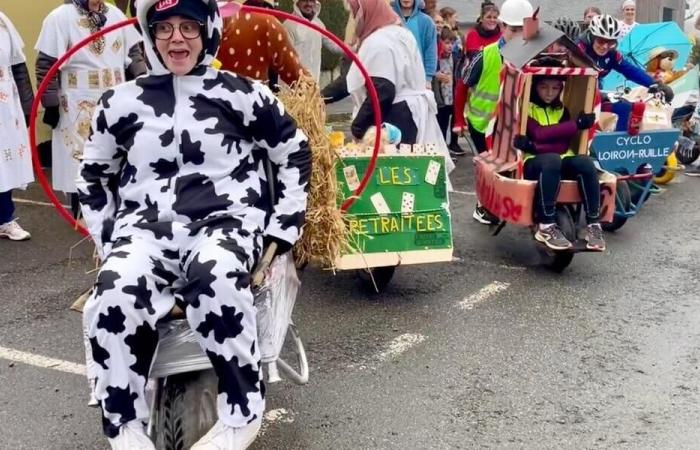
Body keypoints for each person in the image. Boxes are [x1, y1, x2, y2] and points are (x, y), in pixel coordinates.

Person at [77, 0, 311, 448]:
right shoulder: (120, 101)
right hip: (144, 232)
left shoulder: (243, 93)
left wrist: (284, 226)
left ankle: (242, 414)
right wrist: (109, 239)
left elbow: (293, 151)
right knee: (114, 291)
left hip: (224, 224)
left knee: (217, 276)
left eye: (188, 27)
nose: (176, 39)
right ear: (149, 35)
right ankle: (124, 424)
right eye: (164, 28)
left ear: (208, 31)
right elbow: (93, 174)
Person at [35, 0, 146, 219]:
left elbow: (133, 54)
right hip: (77, 101)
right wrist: (50, 104)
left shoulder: (115, 14)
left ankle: (118, 210)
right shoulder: (60, 17)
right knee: (80, 157)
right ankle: (82, 214)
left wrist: (144, 84)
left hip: (115, 98)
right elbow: (46, 65)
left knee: (117, 153)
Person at [345, 0, 452, 171]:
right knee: (413, 174)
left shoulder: (379, 41)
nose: (353, 19)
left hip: (396, 116)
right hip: (411, 112)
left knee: (393, 178)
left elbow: (384, 90)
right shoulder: (400, 32)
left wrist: (359, 126)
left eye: (354, 13)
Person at [452, 0, 532, 224]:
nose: (517, 35)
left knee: (512, 166)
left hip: (513, 125)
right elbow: (462, 86)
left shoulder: (531, 55)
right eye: (513, 29)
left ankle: (508, 203)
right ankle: (483, 206)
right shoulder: (484, 55)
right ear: (503, 26)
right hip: (483, 122)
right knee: (489, 168)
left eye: (521, 30)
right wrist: (458, 119)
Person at [513, 60, 605, 251]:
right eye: (544, 87)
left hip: (557, 158)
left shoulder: (561, 110)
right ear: (535, 86)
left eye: (555, 88)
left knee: (586, 162)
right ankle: (545, 225)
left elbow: (563, 142)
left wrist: (534, 144)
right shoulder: (525, 107)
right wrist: (575, 125)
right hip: (533, 163)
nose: (549, 93)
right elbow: (538, 132)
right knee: (551, 159)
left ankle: (593, 224)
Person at [577, 14, 661, 131]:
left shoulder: (612, 54)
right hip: (576, 95)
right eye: (601, 41)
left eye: (611, 42)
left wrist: (655, 84)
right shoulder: (579, 48)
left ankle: (618, 144)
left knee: (625, 108)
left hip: (595, 94)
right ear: (592, 36)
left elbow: (630, 71)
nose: (605, 47)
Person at [0, 11, 34, 241]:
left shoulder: (2, 20)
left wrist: (28, 105)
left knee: (4, 163)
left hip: (4, 104)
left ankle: (4, 219)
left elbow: (19, 66)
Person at [217, 0, 307, 86]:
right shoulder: (266, 23)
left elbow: (302, 81)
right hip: (252, 98)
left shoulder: (265, 24)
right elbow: (302, 82)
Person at [284, 0, 343, 82]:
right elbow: (286, 58)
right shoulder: (289, 25)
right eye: (305, 0)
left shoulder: (318, 24)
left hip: (313, 83)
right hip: (293, 84)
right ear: (297, 2)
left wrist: (352, 49)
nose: (309, 4)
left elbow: (333, 44)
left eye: (311, 0)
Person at [392, 0, 438, 84]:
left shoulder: (426, 22)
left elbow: (430, 51)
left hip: (418, 77)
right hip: (393, 75)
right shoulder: (389, 19)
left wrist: (428, 78)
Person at [433, 27, 461, 154]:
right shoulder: (435, 59)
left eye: (452, 43)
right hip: (441, 98)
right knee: (441, 125)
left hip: (452, 96)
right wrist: (436, 75)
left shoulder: (455, 57)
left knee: (454, 122)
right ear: (440, 43)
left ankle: (452, 145)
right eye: (447, 43)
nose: (450, 46)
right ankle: (442, 150)